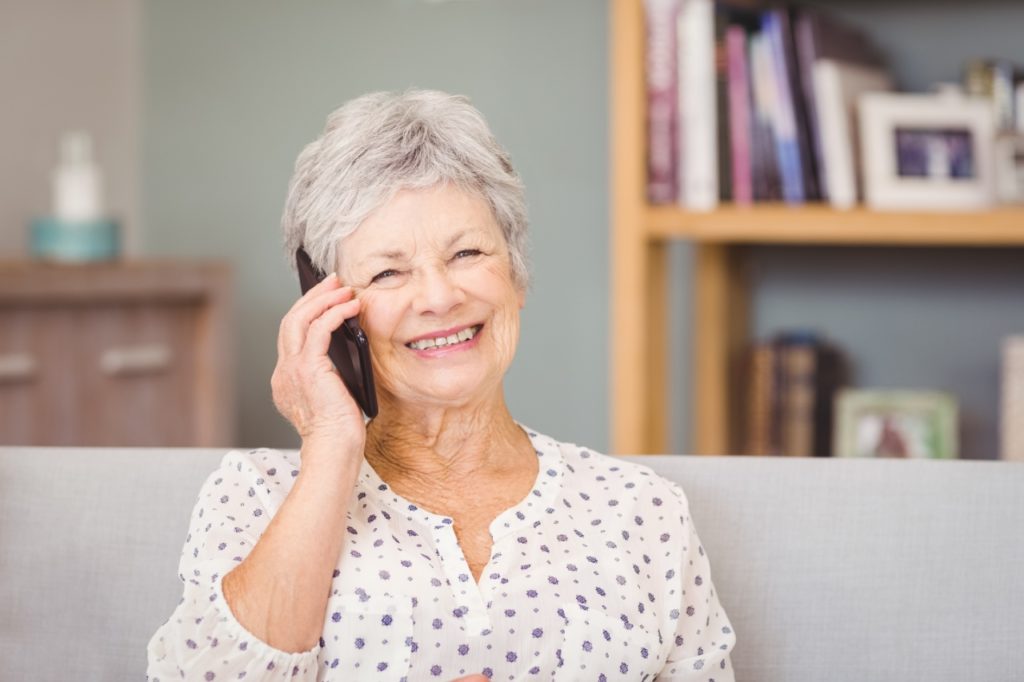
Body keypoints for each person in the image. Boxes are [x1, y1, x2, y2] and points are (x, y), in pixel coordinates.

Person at [147, 90, 735, 681]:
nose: (439, 297)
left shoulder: (641, 508)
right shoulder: (256, 496)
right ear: (331, 312)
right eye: (388, 272)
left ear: (516, 274)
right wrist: (330, 444)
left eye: (467, 253)